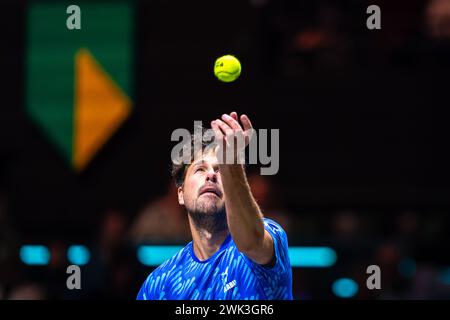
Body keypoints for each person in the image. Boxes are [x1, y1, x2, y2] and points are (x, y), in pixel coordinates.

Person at [137, 112, 292, 300]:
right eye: (200, 169)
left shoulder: (270, 233)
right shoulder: (160, 284)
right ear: (180, 194)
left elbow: (252, 242)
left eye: (220, 169)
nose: (211, 175)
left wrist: (231, 165)